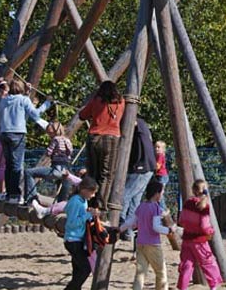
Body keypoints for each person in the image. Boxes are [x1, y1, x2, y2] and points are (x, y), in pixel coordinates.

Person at [0, 78, 51, 204]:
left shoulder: (4, 100)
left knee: (9, 164)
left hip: (4, 133)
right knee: (17, 165)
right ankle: (15, 195)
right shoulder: (23, 100)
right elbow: (35, 114)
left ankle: (10, 193)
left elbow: (17, 106)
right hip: (18, 134)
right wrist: (47, 103)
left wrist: (27, 93)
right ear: (21, 89)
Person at [120, 180, 170, 290]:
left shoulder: (141, 206)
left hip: (140, 243)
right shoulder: (156, 208)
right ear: (157, 194)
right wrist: (169, 230)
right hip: (153, 244)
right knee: (161, 271)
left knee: (140, 272)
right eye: (162, 192)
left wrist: (119, 229)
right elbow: (156, 227)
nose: (162, 194)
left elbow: (132, 221)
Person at [79, 80, 125, 210]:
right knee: (107, 174)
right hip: (111, 138)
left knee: (93, 172)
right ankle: (100, 203)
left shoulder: (97, 100)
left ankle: (90, 200)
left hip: (94, 137)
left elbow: (82, 115)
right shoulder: (121, 102)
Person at [177, 180, 223, 290]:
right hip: (200, 240)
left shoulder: (187, 203)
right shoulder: (204, 206)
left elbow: (181, 220)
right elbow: (204, 225)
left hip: (187, 239)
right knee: (208, 264)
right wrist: (210, 232)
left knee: (186, 265)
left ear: (193, 190)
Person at [58, 177, 99, 290]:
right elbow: (72, 223)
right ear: (84, 190)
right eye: (91, 192)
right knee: (85, 269)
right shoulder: (76, 202)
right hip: (73, 240)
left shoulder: (83, 201)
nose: (92, 196)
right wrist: (87, 216)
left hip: (78, 239)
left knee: (77, 271)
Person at [24, 120, 74, 205]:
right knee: (63, 183)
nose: (49, 135)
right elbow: (70, 152)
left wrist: (50, 152)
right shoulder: (67, 140)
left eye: (50, 133)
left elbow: (49, 152)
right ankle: (61, 203)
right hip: (65, 170)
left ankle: (31, 199)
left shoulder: (55, 139)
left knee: (28, 172)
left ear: (55, 132)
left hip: (56, 170)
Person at [119, 117, 155, 233]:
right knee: (135, 201)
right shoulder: (142, 126)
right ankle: (129, 231)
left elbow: (131, 122)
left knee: (124, 196)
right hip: (146, 168)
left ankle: (120, 225)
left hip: (142, 168)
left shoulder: (138, 124)